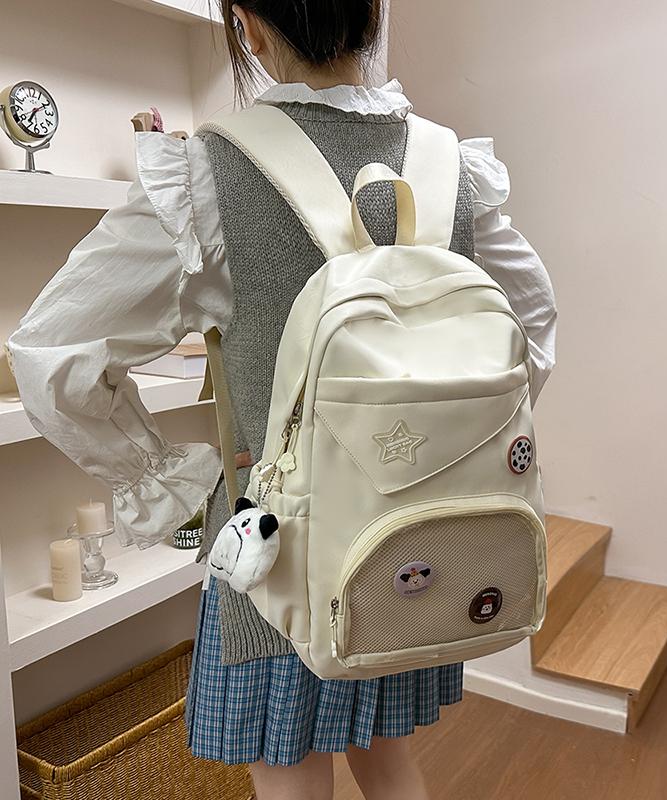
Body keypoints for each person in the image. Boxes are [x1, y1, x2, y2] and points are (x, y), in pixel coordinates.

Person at [6, 1, 557, 798]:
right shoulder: (452, 166)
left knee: (290, 775)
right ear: (371, 12)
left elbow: (51, 353)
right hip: (423, 536)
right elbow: (530, 328)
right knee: (388, 758)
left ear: (249, 27)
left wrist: (162, 477)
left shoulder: (210, 172)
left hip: (276, 552)